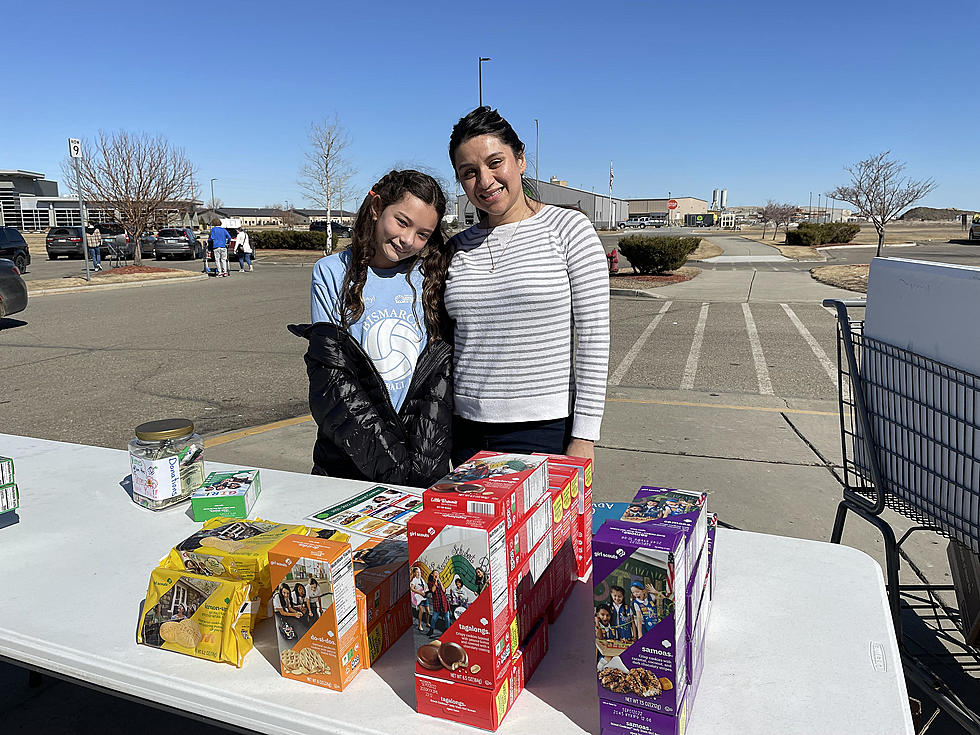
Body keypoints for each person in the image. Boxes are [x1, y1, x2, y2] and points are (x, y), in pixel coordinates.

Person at [446, 107, 610, 464]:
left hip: (543, 430)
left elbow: (594, 338)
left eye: (495, 162)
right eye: (469, 173)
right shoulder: (456, 248)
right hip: (464, 430)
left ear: (520, 159)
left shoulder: (569, 229)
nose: (485, 181)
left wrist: (584, 437)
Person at [289, 170, 454, 486]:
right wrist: (391, 466)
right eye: (402, 222)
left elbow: (437, 382)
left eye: (423, 234)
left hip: (421, 455)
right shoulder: (331, 272)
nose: (407, 240)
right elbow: (334, 379)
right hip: (350, 453)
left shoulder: (432, 277)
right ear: (377, 207)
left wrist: (419, 465)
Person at [425, 572, 451, 636]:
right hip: (437, 602)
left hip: (444, 602)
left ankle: (447, 630)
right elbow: (433, 590)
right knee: (434, 618)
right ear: (432, 575)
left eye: (437, 573)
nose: (437, 574)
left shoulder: (440, 582)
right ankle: (431, 630)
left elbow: (444, 590)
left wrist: (440, 581)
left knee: (447, 618)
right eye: (435, 573)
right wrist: (436, 582)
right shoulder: (430, 583)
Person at [410, 566, 429, 631]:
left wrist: (426, 589)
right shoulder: (414, 580)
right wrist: (420, 593)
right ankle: (419, 625)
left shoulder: (421, 579)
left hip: (424, 596)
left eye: (420, 572)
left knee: (428, 611)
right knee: (421, 610)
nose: (419, 574)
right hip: (418, 597)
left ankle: (427, 622)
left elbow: (425, 586)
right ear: (414, 573)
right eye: (417, 572)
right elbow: (412, 589)